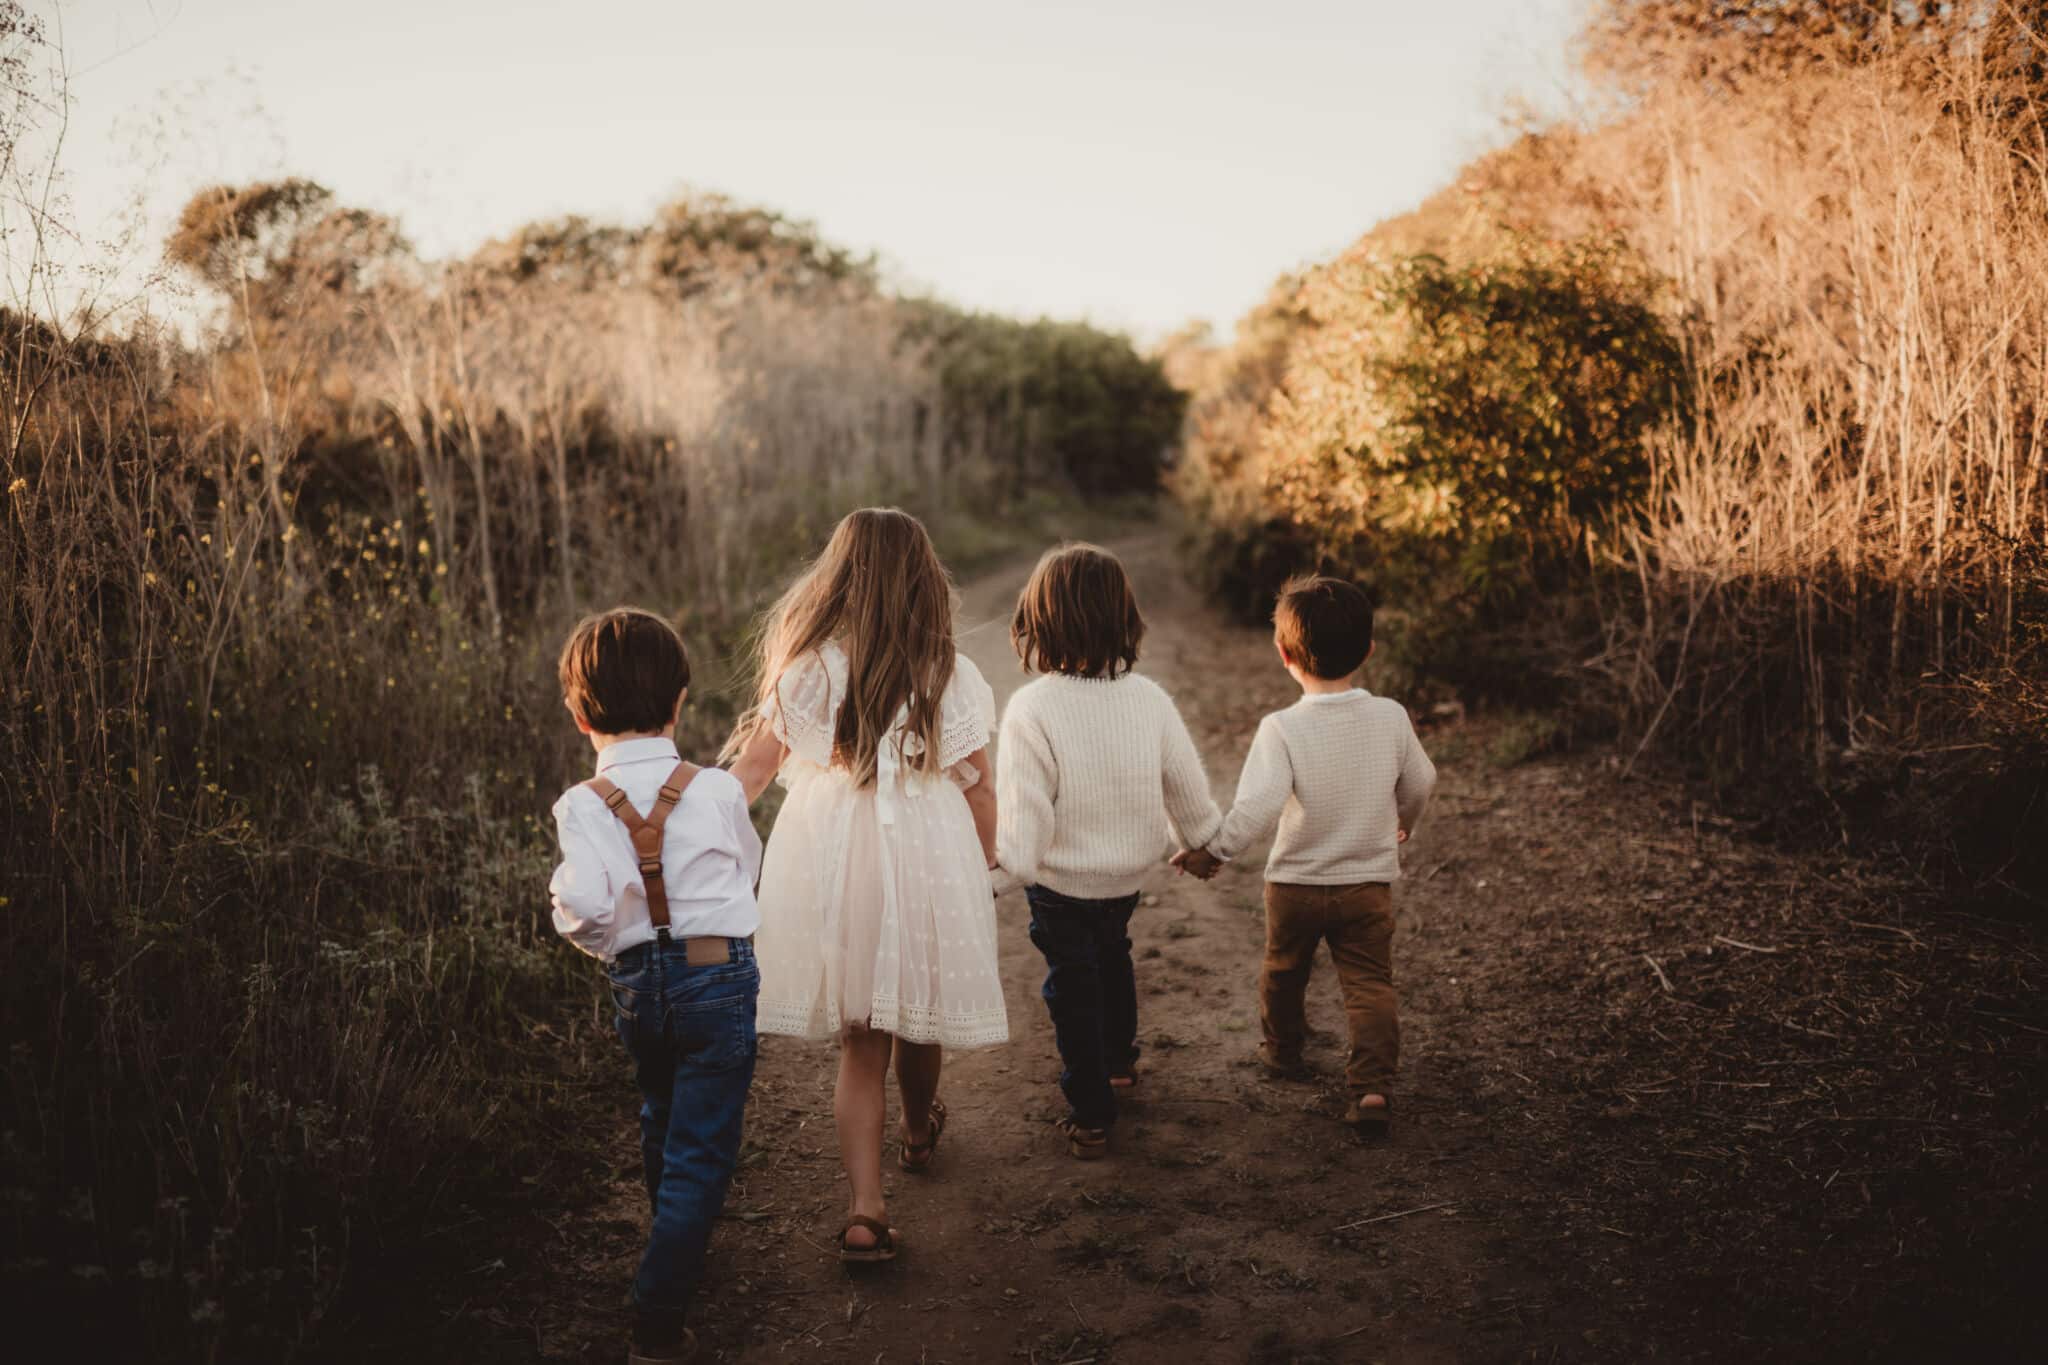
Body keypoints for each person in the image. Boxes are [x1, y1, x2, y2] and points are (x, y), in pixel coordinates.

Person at [724, 507, 1006, 1263]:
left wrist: (685, 833)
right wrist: (985, 866)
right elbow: (980, 790)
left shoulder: (809, 668)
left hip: (837, 858)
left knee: (860, 1039)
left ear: (837, 579)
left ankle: (865, 1208)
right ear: (924, 580)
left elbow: (749, 775)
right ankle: (917, 1129)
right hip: (925, 854)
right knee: (917, 1014)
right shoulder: (951, 670)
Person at [548, 608, 763, 1365]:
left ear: (579, 714)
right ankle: (659, 1314)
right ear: (680, 701)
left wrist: (614, 946)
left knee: (662, 1112)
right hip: (717, 973)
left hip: (640, 982)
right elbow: (746, 868)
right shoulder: (714, 789)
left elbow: (585, 907)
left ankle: (676, 1228)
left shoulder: (580, 804)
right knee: (702, 1145)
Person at [1177, 576, 1436, 1138]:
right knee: (1368, 983)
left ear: (1284, 654)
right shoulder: (1390, 716)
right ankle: (1370, 1088)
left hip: (1294, 886)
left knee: (1283, 971)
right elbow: (1422, 780)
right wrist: (1402, 824)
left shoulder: (1283, 728)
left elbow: (1255, 808)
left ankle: (1283, 1052)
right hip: (1366, 884)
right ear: (1369, 650)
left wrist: (1212, 853)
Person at [993, 543, 1221, 1158]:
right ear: (1123, 616)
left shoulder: (1032, 708)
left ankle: (1092, 1108)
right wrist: (1201, 844)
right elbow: (1187, 792)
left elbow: (1026, 819)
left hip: (1061, 882)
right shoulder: (1149, 699)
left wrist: (995, 877)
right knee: (1112, 956)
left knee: (1073, 982)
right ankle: (1119, 1063)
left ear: (1040, 620)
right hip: (1125, 875)